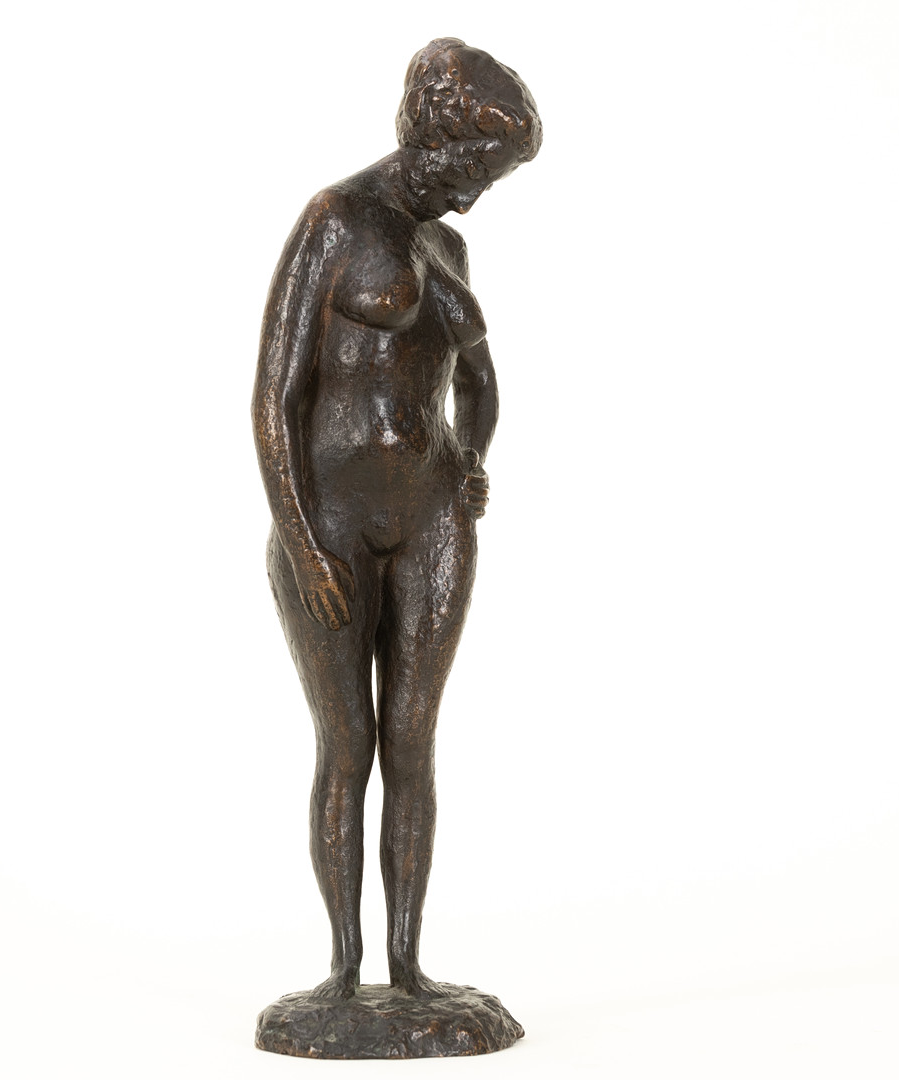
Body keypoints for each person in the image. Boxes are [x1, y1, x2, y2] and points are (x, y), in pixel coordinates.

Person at [252, 38, 541, 999]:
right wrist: (300, 542)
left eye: (488, 183)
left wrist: (473, 464)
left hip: (433, 516)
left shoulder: (446, 250)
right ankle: (342, 974)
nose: (472, 198)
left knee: (412, 740)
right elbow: (273, 398)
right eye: (472, 173)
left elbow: (481, 382)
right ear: (433, 138)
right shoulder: (334, 221)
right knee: (348, 746)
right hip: (329, 523)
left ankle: (409, 969)